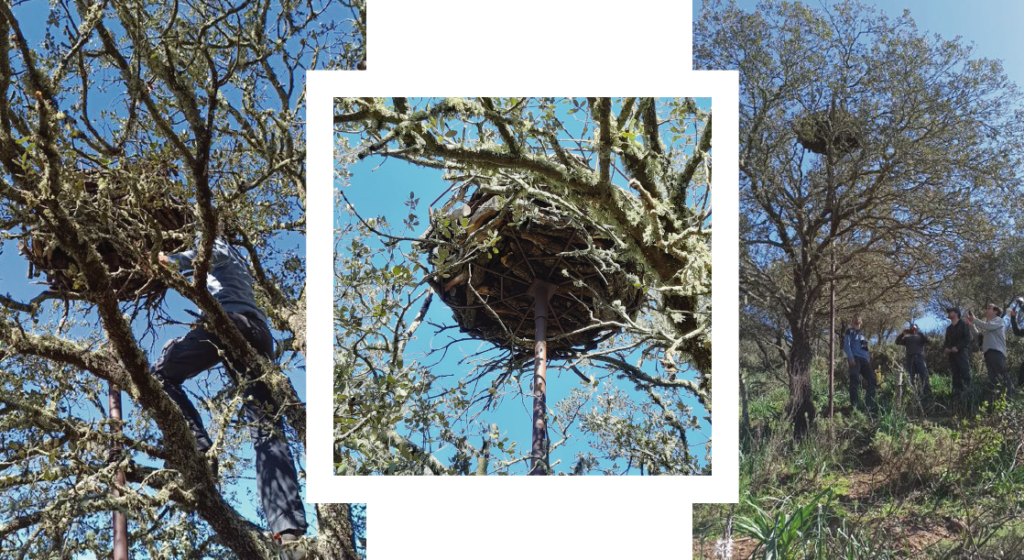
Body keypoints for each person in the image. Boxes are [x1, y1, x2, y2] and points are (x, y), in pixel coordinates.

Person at [152, 235, 307, 558]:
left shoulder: (216, 244)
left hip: (231, 324)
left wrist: (169, 260)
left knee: (160, 374)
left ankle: (197, 445)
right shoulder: (240, 267)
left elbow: (207, 253)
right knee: (266, 429)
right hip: (260, 336)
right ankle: (287, 530)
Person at [968, 304, 1013, 397]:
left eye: (989, 308)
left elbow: (987, 326)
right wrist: (971, 325)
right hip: (988, 354)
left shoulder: (998, 320)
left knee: (1002, 376)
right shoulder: (988, 328)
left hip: (996, 352)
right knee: (993, 379)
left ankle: (1008, 398)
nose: (987, 310)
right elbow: (979, 338)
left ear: (996, 311)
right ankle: (996, 401)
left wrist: (975, 319)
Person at [843, 314, 877, 413]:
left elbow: (865, 348)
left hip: (864, 360)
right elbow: (846, 345)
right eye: (855, 319)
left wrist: (868, 359)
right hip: (855, 359)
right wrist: (850, 357)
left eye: (859, 319)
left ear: (861, 322)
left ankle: (868, 406)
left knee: (872, 380)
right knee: (855, 380)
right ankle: (855, 407)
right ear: (852, 321)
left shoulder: (862, 334)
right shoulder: (850, 331)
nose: (857, 320)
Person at [895, 323, 932, 400]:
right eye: (912, 329)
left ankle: (928, 396)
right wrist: (902, 334)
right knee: (911, 377)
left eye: (915, 328)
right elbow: (897, 342)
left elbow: (929, 342)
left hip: (919, 357)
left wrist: (923, 336)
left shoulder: (920, 336)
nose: (913, 330)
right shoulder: (907, 338)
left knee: (924, 376)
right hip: (910, 358)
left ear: (917, 329)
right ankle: (914, 396)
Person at [943, 307, 972, 397]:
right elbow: (946, 341)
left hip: (962, 352)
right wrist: (946, 348)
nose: (948, 313)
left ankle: (967, 394)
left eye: (950, 312)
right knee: (955, 375)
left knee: (964, 372)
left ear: (956, 313)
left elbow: (968, 338)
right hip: (952, 355)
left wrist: (958, 347)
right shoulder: (949, 328)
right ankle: (956, 395)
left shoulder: (963, 324)